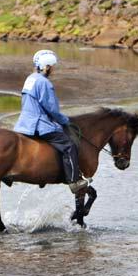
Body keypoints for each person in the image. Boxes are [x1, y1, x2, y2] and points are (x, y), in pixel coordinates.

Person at [13, 50, 89, 194]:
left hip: (23, 123)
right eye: (52, 66)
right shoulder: (44, 83)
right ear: (46, 66)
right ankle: (74, 181)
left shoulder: (31, 78)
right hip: (38, 125)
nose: (53, 69)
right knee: (69, 146)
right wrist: (65, 121)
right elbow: (52, 109)